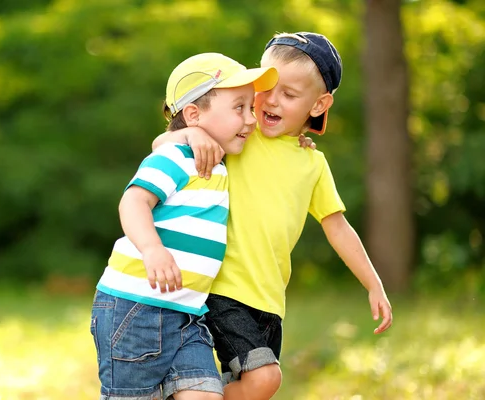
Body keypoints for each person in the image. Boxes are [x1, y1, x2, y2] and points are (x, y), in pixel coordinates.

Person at [152, 32, 393, 400]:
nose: (272, 101)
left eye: (290, 95)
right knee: (266, 378)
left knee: (252, 387)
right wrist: (192, 136)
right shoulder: (239, 135)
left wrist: (373, 283)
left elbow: (338, 227)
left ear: (318, 104)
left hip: (268, 304)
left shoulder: (312, 163)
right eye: (267, 87)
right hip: (222, 289)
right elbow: (161, 145)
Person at [90, 52, 278, 400]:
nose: (251, 120)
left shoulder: (219, 163)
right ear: (193, 115)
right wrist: (152, 248)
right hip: (136, 308)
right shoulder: (175, 157)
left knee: (206, 395)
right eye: (240, 108)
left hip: (188, 315)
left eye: (251, 108)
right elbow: (133, 201)